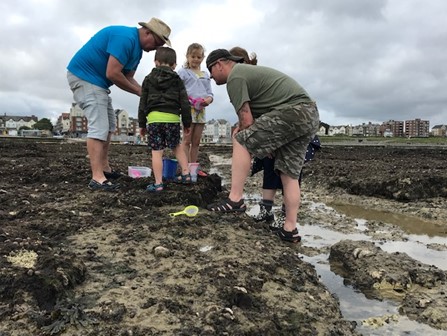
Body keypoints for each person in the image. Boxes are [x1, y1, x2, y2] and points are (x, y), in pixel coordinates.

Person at [206, 49, 320, 243]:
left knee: (241, 138)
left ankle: (235, 199)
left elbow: (247, 120)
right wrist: (266, 146)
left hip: (293, 112)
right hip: (309, 115)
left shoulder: (236, 76)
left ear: (219, 64)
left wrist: (242, 132)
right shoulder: (246, 73)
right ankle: (289, 229)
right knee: (289, 173)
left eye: (211, 70)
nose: (211, 76)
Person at [67, 17, 172, 190]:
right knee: (99, 126)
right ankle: (97, 178)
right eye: (157, 43)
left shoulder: (137, 51)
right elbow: (113, 73)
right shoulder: (125, 38)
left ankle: (105, 169)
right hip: (85, 77)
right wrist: (139, 92)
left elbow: (128, 77)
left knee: (109, 125)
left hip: (98, 83)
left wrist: (146, 93)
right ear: (147, 32)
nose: (157, 49)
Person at [138, 47, 192, 192]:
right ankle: (186, 174)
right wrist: (187, 123)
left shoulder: (148, 79)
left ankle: (158, 183)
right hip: (172, 118)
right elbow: (184, 102)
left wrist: (142, 124)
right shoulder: (177, 79)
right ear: (174, 64)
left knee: (157, 151)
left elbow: (142, 103)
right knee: (176, 146)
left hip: (154, 119)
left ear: (156, 62)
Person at [177, 43, 214, 177]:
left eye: (199, 57)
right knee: (186, 140)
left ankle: (194, 167)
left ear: (202, 58)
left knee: (196, 141)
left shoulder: (205, 74)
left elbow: (210, 93)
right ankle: (184, 168)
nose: (196, 59)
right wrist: (186, 100)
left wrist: (208, 100)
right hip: (188, 109)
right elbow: (178, 89)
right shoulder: (183, 72)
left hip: (201, 110)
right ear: (187, 56)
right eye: (193, 56)